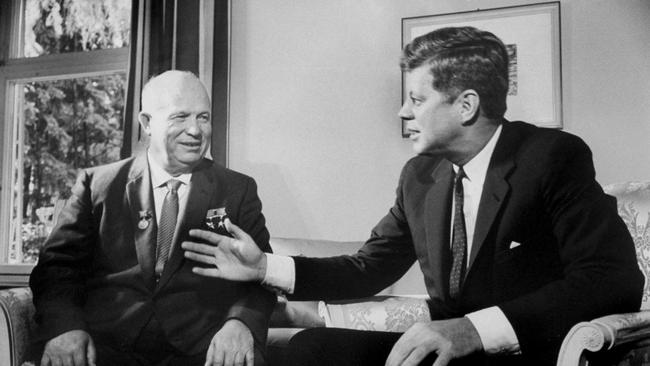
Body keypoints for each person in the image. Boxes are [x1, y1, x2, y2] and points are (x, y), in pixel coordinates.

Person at [181, 27, 643, 366]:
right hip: (448, 353)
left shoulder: (552, 157)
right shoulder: (420, 176)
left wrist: (473, 331)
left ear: (466, 105)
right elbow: (369, 267)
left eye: (417, 100)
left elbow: (611, 278)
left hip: (525, 349)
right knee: (311, 350)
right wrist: (264, 268)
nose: (404, 112)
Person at [29, 70, 276, 366]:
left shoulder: (237, 190)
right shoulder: (97, 185)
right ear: (147, 123)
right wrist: (65, 327)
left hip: (204, 350)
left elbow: (261, 274)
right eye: (180, 117)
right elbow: (55, 270)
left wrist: (241, 323)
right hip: (105, 347)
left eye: (203, 117)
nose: (196, 131)